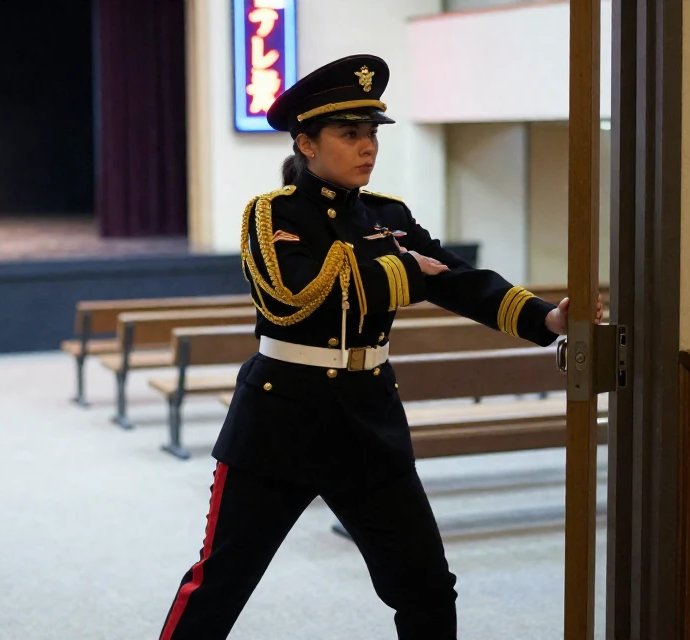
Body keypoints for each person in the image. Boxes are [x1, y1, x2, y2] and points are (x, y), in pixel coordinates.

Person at [157, 54, 602, 640]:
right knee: (222, 583)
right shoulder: (273, 214)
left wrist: (547, 318)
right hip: (279, 420)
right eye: (349, 134)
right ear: (306, 143)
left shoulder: (387, 215)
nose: (367, 146)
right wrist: (405, 271)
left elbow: (459, 280)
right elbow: (295, 295)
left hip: (368, 421)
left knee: (426, 588)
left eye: (371, 134)